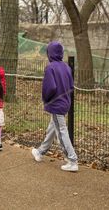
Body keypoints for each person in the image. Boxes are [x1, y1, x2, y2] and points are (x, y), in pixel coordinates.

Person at [31, 41, 78, 172]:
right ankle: (40, 152)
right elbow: (70, 86)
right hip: (65, 102)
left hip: (56, 104)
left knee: (61, 131)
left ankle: (72, 160)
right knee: (53, 127)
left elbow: (49, 87)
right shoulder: (67, 67)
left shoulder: (50, 67)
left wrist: (45, 99)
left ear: (49, 53)